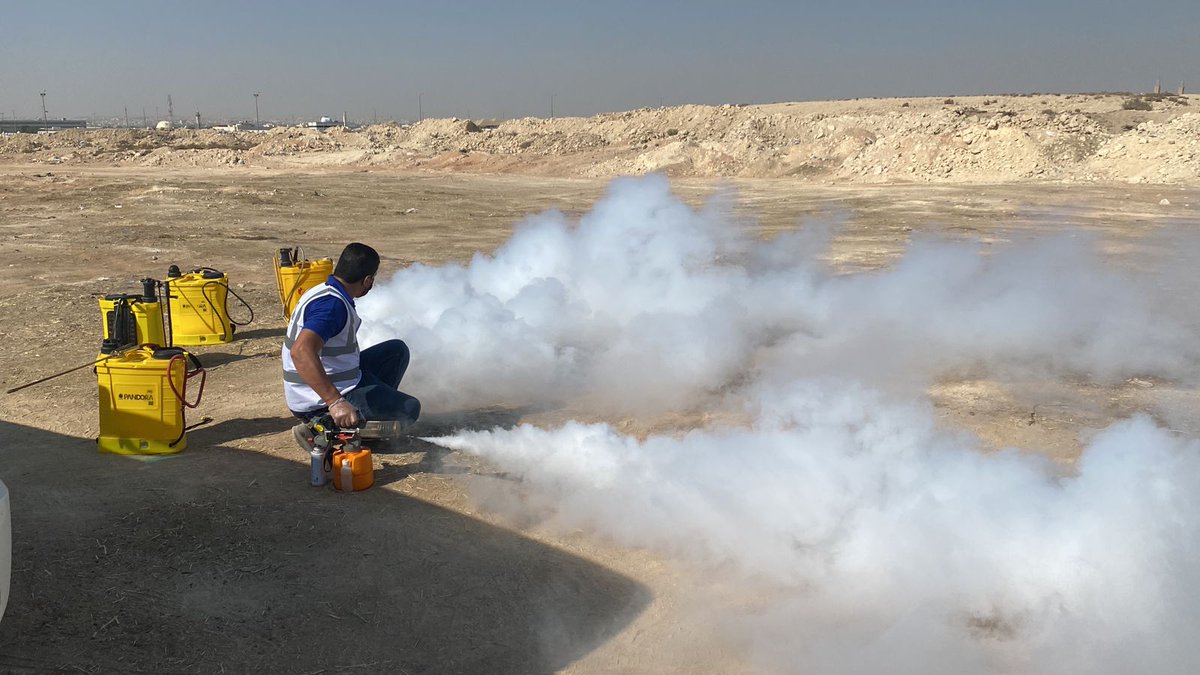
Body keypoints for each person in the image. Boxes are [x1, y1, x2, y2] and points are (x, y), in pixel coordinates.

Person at [283, 242, 420, 451]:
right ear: (367, 280)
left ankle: (365, 415)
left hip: (337, 377)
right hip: (316, 399)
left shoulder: (324, 290)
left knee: (395, 352)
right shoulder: (332, 307)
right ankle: (326, 426)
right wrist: (335, 401)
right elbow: (301, 351)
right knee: (409, 409)